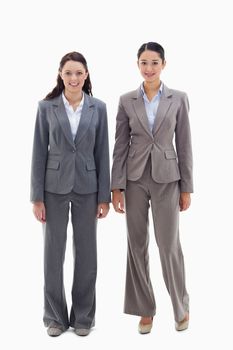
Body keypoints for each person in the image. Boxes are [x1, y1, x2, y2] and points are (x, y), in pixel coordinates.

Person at [111, 42, 193, 334]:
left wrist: (187, 187)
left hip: (168, 178)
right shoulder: (126, 100)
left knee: (168, 244)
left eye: (154, 63)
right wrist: (116, 187)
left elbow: (184, 144)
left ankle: (180, 306)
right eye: (144, 63)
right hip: (133, 179)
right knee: (137, 244)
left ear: (164, 65)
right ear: (137, 65)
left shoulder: (178, 98)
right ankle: (144, 309)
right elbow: (120, 146)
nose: (149, 68)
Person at [30, 51, 110, 337]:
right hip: (53, 189)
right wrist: (36, 197)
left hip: (88, 188)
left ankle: (84, 317)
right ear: (60, 75)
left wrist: (105, 196)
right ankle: (54, 317)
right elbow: (39, 152)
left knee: (87, 255)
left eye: (79, 73)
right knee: (53, 254)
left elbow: (103, 153)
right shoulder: (46, 107)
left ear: (86, 75)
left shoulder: (98, 108)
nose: (73, 78)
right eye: (68, 73)